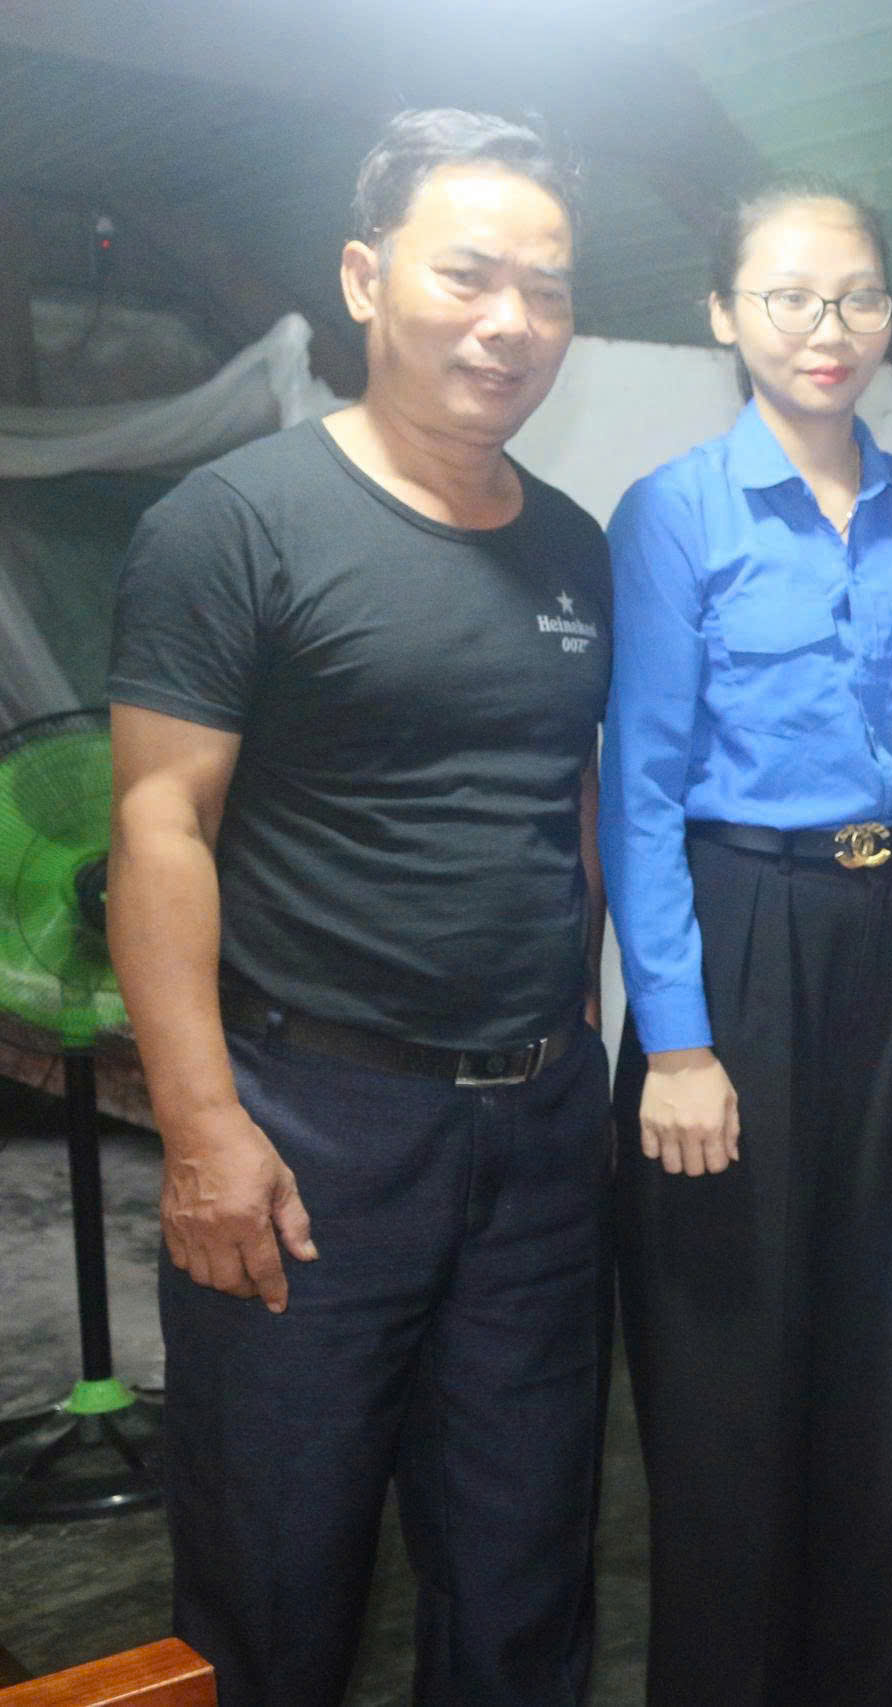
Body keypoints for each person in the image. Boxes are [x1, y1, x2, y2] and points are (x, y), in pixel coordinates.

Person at [106, 110, 609, 1706]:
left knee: (523, 1569)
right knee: (276, 1573)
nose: (510, 320)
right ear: (363, 277)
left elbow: (570, 809)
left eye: (546, 286)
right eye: (469, 273)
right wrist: (203, 1128)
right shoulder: (233, 523)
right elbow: (159, 824)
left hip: (539, 1129)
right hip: (309, 1128)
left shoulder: (575, 546)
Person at [597, 177, 892, 1705]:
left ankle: (880, 1674)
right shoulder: (676, 510)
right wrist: (677, 1039)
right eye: (791, 296)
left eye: (860, 296)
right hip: (738, 935)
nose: (831, 328)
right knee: (729, 1360)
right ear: (723, 312)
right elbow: (641, 790)